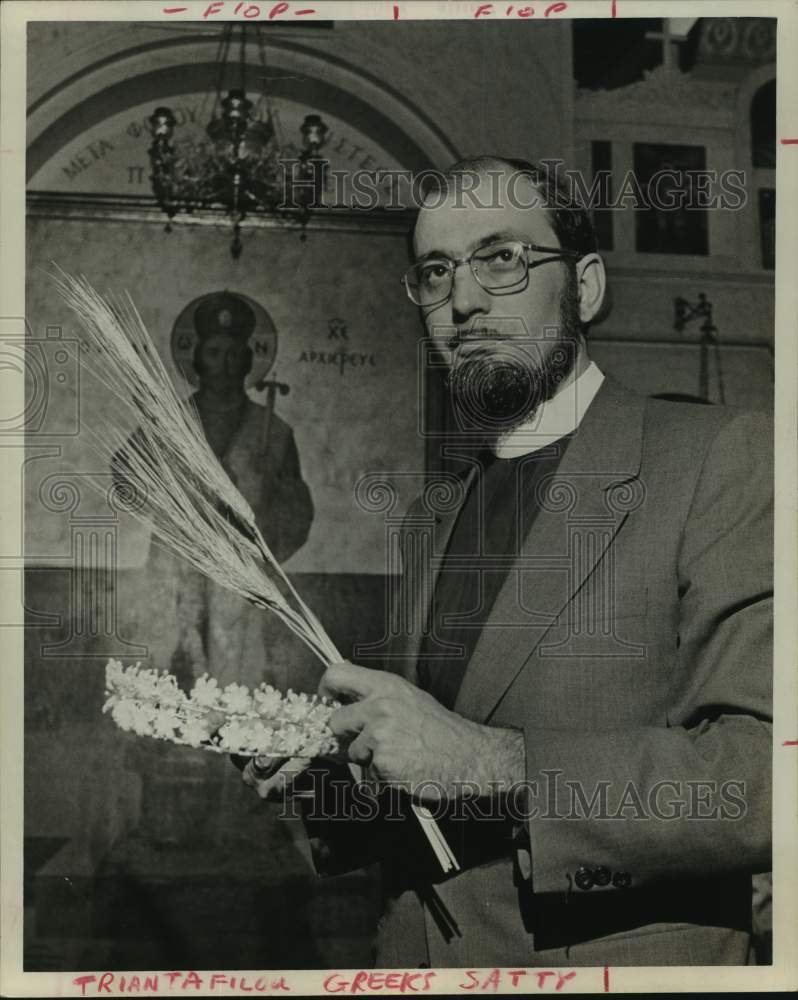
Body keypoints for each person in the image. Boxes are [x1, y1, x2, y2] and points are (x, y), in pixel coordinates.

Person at [241, 158, 772, 967]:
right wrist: (328, 769)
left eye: (501, 258)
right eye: (436, 271)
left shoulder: (717, 457)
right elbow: (429, 777)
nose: (463, 300)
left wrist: (491, 763)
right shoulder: (435, 513)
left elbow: (763, 777)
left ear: (585, 287)